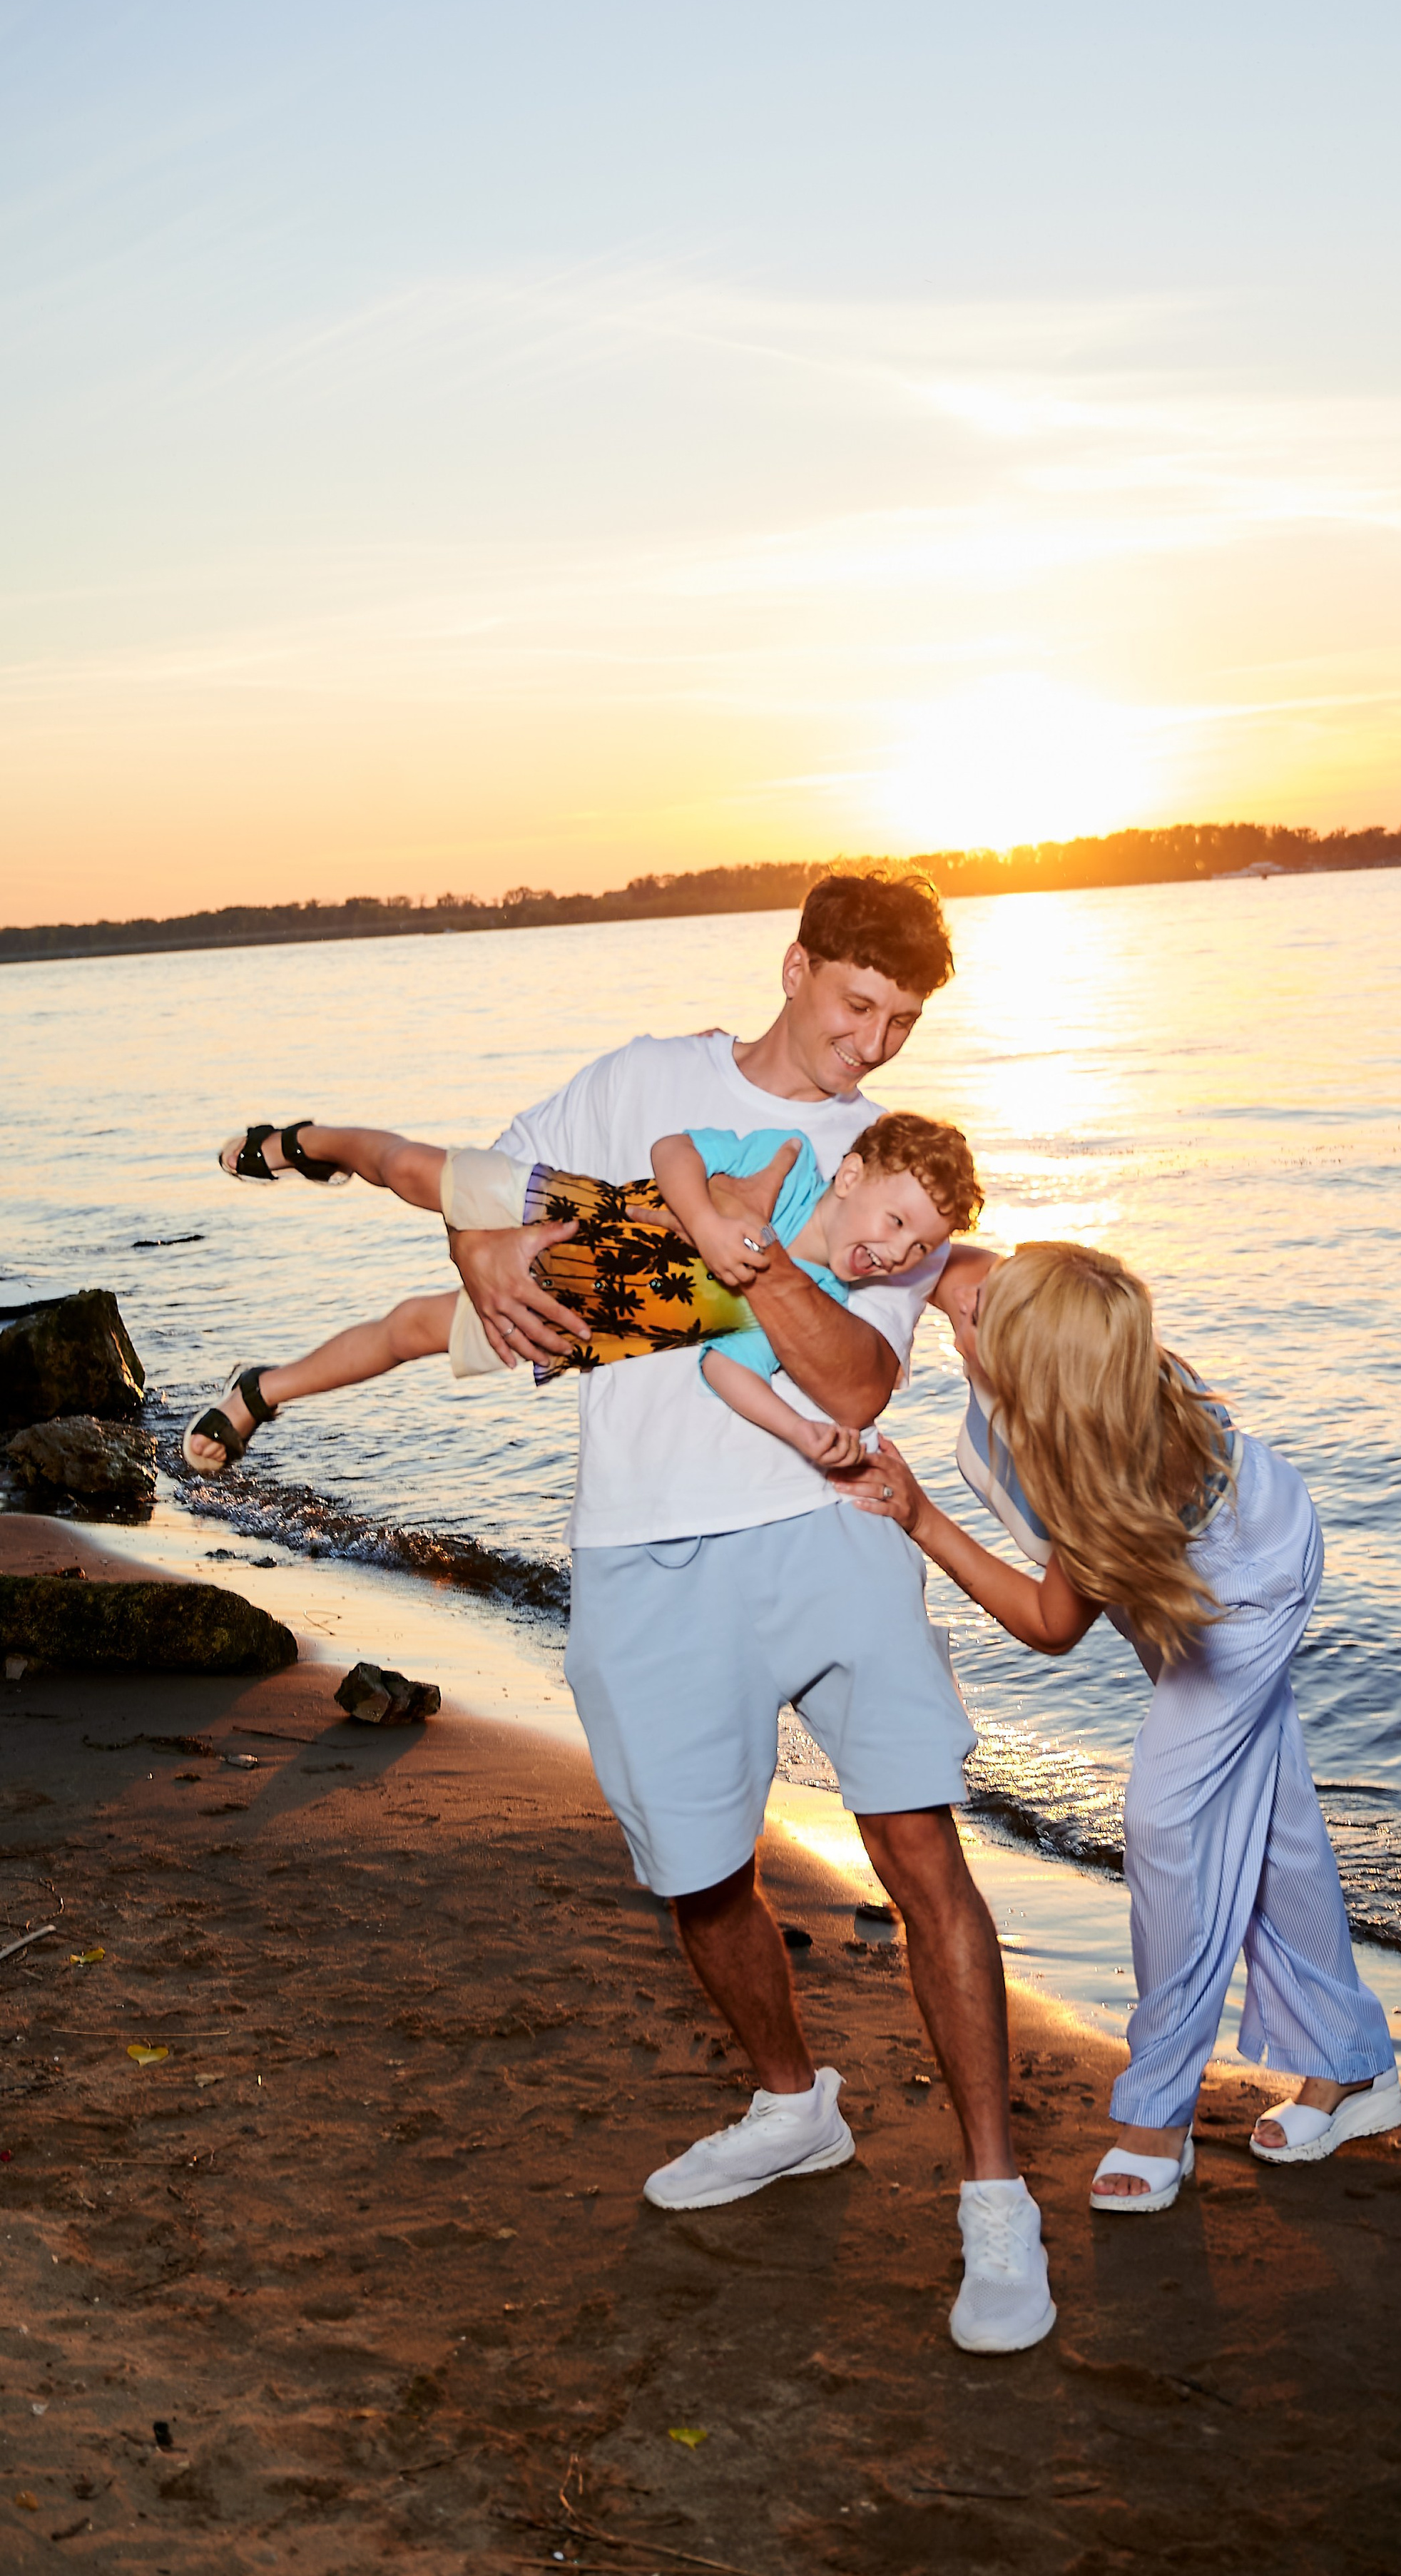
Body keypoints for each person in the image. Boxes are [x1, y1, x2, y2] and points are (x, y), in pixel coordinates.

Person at [434, 872, 1054, 2353]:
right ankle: (792, 2105)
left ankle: (993, 2200)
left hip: (823, 1533)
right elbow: (483, 1195)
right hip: (642, 1545)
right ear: (795, 968)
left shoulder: (889, 1170)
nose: (875, 1044)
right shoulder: (641, 1079)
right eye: (858, 1007)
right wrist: (484, 1258)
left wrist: (743, 1247)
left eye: (903, 1021)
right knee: (697, 1874)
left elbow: (851, 1384)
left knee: (916, 1844)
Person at [858, 1238, 1401, 2211]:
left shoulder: (1102, 1465)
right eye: (980, 1294)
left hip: (1245, 1599)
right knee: (1270, 1826)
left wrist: (922, 1517)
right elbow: (941, 1255)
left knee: (1167, 1829)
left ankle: (1158, 2111)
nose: (965, 1303)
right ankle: (1353, 2064)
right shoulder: (1055, 1317)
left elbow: (1049, 1622)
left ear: (1034, 1367)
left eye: (984, 1311)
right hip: (1202, 1567)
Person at [184, 1109, 982, 1480]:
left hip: (577, 1320)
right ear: (850, 1176)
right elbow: (673, 1148)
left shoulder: (803, 1306)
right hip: (568, 1210)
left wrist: (803, 1432)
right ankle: (312, 1142)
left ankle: (261, 1389)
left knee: (409, 1332)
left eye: (918, 1248)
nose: (896, 1252)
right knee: (412, 1172)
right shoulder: (787, 1161)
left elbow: (724, 1372)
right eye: (896, 1219)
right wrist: (705, 1219)